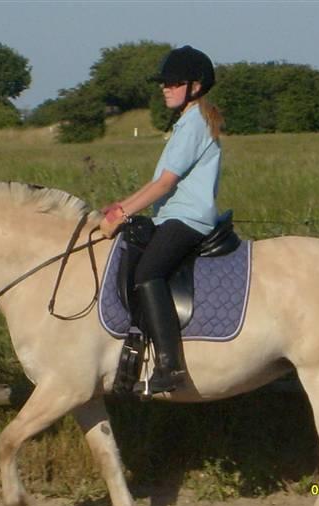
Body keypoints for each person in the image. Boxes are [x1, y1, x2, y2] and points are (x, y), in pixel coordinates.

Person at [99, 45, 224, 394]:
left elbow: (165, 183)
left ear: (195, 86)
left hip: (188, 220)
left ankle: (170, 365)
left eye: (173, 82)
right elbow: (159, 185)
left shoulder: (194, 123)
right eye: (164, 82)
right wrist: (119, 207)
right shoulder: (187, 121)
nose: (164, 87)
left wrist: (123, 212)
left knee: (147, 273)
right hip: (172, 215)